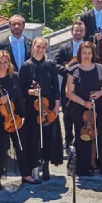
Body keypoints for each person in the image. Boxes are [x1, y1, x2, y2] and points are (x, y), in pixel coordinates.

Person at [0, 50, 35, 187]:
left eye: (5, 62)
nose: (3, 65)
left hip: (15, 116)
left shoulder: (14, 77)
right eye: (0, 62)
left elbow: (20, 97)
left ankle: (26, 175)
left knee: (21, 145)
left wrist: (22, 115)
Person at [19, 36, 65, 181]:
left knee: (48, 136)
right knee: (34, 136)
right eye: (38, 46)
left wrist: (56, 105)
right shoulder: (25, 66)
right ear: (32, 47)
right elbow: (20, 88)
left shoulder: (50, 65)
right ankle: (34, 165)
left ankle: (46, 165)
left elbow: (55, 86)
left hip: (48, 106)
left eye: (43, 47)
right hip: (32, 107)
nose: (40, 49)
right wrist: (30, 91)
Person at [64, 42, 102, 177]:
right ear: (80, 54)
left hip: (97, 107)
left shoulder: (99, 68)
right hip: (79, 108)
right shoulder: (73, 70)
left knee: (97, 135)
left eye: (89, 53)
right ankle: (83, 166)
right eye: (84, 52)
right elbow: (69, 93)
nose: (87, 55)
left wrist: (99, 93)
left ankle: (95, 163)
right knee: (82, 136)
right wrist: (84, 103)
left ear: (93, 54)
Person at [55, 21, 87, 147]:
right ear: (71, 31)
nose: (78, 33)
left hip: (85, 84)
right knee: (67, 113)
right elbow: (55, 63)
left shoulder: (89, 46)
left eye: (81, 31)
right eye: (76, 30)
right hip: (67, 84)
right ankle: (68, 138)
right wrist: (67, 71)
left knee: (83, 111)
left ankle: (82, 137)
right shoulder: (64, 47)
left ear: (84, 32)